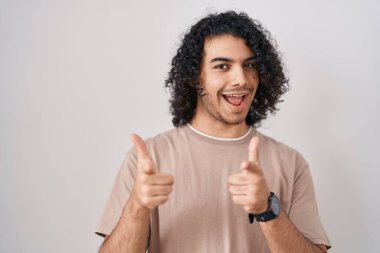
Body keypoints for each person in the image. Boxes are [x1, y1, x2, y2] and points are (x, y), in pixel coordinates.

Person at [96, 11, 331, 253]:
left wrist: (268, 210)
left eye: (249, 65)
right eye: (222, 66)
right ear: (195, 77)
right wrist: (138, 206)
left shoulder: (291, 163)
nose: (241, 78)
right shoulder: (147, 160)